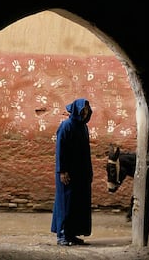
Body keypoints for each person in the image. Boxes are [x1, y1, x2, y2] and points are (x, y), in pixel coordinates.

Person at [51, 98, 93, 246]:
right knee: (65, 203)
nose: (85, 112)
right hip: (67, 173)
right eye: (83, 109)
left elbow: (86, 152)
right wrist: (62, 171)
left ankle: (72, 234)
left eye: (87, 109)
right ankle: (62, 235)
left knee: (77, 204)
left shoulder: (83, 127)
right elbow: (60, 150)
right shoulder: (66, 126)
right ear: (76, 109)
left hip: (80, 173)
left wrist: (89, 172)